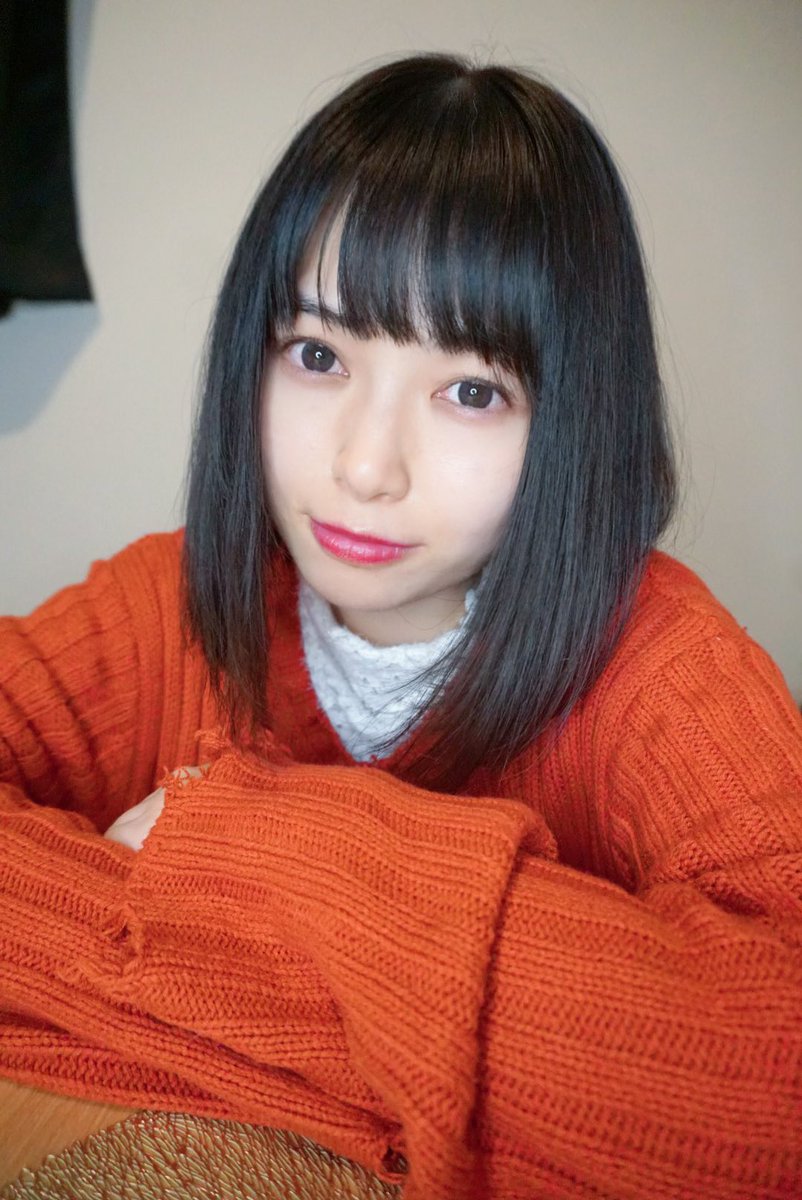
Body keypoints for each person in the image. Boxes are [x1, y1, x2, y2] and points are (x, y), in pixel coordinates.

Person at [1, 52, 800, 1200]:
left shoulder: (662, 666)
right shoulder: (164, 607)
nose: (367, 467)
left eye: (470, 390)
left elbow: (775, 1088)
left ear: (574, 415)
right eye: (317, 355)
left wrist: (261, 854)